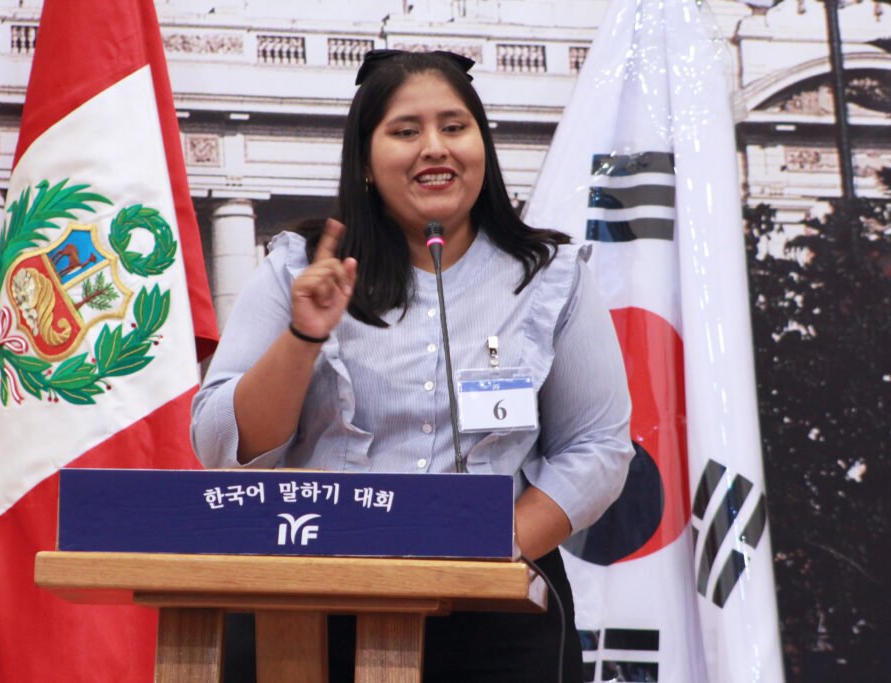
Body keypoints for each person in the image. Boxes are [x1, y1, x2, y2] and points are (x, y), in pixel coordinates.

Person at [190, 49, 634, 683]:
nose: (435, 148)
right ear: (365, 162)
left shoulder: (549, 276)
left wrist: (496, 543)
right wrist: (303, 337)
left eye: (454, 127)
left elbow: (597, 448)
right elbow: (222, 447)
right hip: (306, 606)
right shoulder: (298, 266)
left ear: (482, 146)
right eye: (405, 131)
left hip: (496, 611)